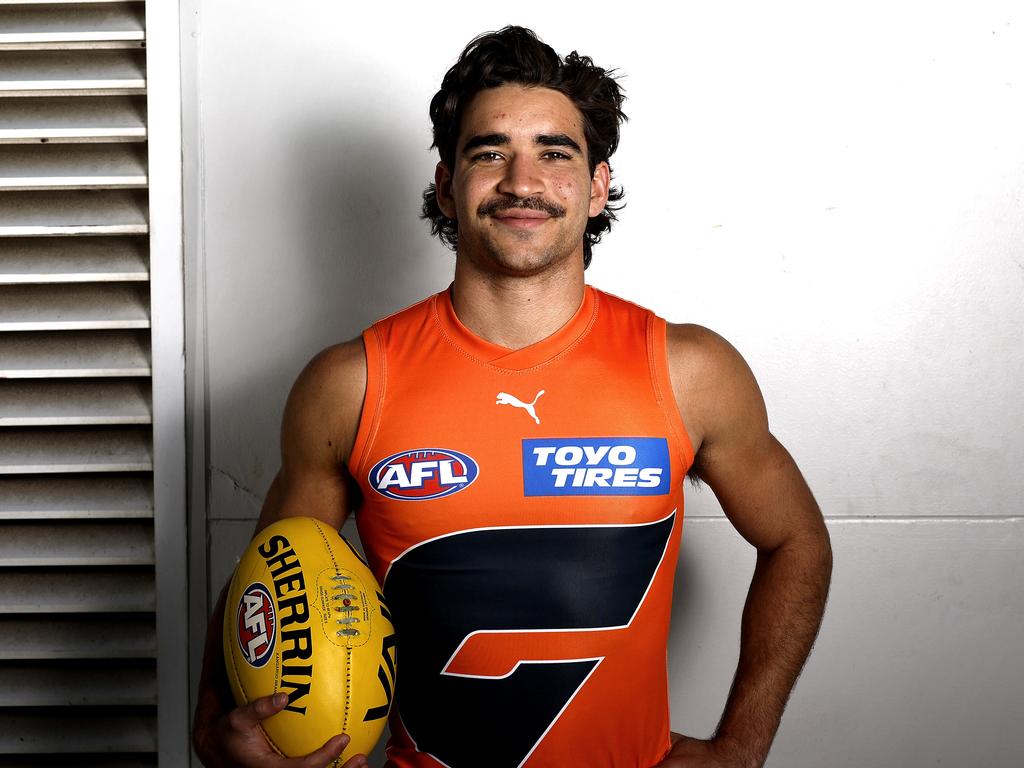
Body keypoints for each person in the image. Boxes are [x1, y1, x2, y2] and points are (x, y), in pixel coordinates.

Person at [193, 26, 832, 768]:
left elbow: (797, 541)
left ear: (597, 187)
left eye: (555, 153)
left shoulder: (688, 371)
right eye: (489, 151)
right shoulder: (352, 383)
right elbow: (267, 575)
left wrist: (742, 747)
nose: (522, 181)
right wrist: (211, 721)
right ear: (445, 184)